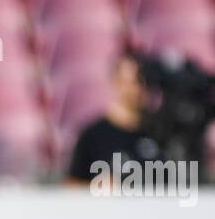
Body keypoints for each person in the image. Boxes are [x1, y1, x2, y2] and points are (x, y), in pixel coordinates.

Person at [66, 53, 161, 185]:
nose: (142, 88)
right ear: (117, 82)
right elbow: (71, 188)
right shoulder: (93, 137)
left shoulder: (162, 132)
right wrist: (99, 187)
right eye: (136, 81)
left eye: (147, 81)